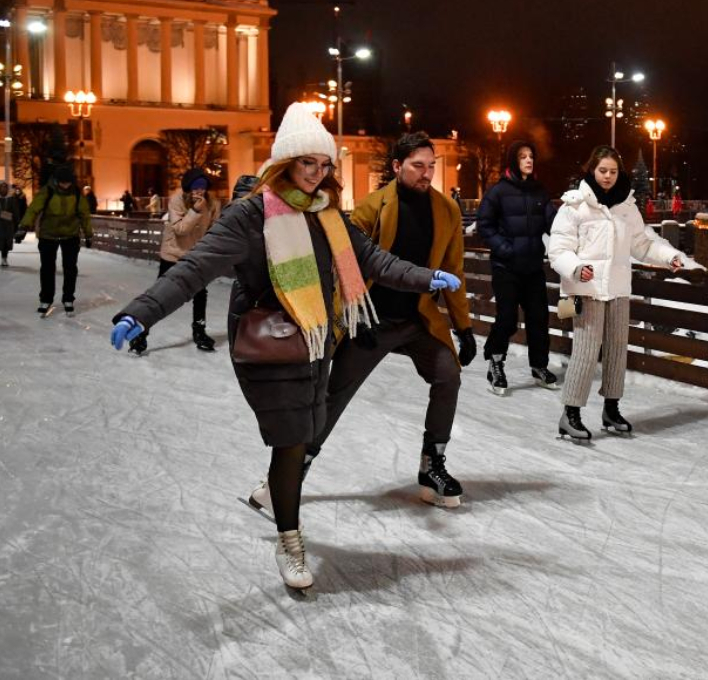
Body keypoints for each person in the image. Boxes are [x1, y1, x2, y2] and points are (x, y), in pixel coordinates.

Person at [108, 102, 460, 589]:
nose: (316, 174)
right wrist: (140, 312)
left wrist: (427, 278)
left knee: (305, 432)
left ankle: (276, 497)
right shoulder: (251, 217)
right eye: (306, 163)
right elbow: (194, 269)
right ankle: (290, 541)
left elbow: (375, 261)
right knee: (293, 440)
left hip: (315, 341)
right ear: (284, 164)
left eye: (323, 165)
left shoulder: (327, 214)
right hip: (268, 344)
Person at [250, 132, 475, 512]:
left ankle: (431, 465)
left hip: (418, 318)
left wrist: (464, 327)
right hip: (371, 318)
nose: (426, 174)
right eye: (418, 166)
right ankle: (284, 480)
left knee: (447, 374)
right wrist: (354, 316)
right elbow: (345, 266)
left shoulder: (446, 210)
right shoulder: (374, 207)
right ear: (397, 167)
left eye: (431, 166)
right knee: (333, 396)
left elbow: (452, 269)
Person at [547, 146, 692, 442]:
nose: (608, 177)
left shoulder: (627, 207)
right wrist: (576, 268)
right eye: (603, 171)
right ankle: (570, 413)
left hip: (618, 289)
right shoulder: (574, 206)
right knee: (586, 352)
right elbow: (558, 250)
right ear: (591, 170)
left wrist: (669, 257)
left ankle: (611, 409)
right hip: (586, 290)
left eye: (613, 171)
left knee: (616, 350)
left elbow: (643, 244)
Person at [476, 140, 558, 395]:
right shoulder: (498, 192)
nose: (529, 160)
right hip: (506, 268)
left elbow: (553, 224)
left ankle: (539, 366)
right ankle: (496, 362)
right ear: (514, 160)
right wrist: (505, 249)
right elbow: (484, 226)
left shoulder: (539, 192)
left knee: (538, 319)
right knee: (507, 319)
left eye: (531, 156)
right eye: (523, 156)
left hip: (533, 267)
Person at [128, 168, 223, 355]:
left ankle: (199, 332)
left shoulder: (212, 204)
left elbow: (214, 229)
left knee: (200, 295)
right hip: (173, 255)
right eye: (195, 188)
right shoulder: (177, 201)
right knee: (159, 295)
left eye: (202, 188)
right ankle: (141, 334)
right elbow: (180, 229)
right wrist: (195, 210)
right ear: (188, 188)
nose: (199, 192)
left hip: (196, 256)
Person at [19, 165, 93, 317]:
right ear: (57, 181)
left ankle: (68, 299)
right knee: (47, 268)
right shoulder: (47, 191)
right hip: (48, 234)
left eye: (68, 182)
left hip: (70, 235)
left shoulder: (77, 194)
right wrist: (24, 226)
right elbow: (33, 209)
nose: (66, 185)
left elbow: (84, 214)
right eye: (63, 182)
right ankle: (46, 299)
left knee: (70, 268)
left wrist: (88, 234)